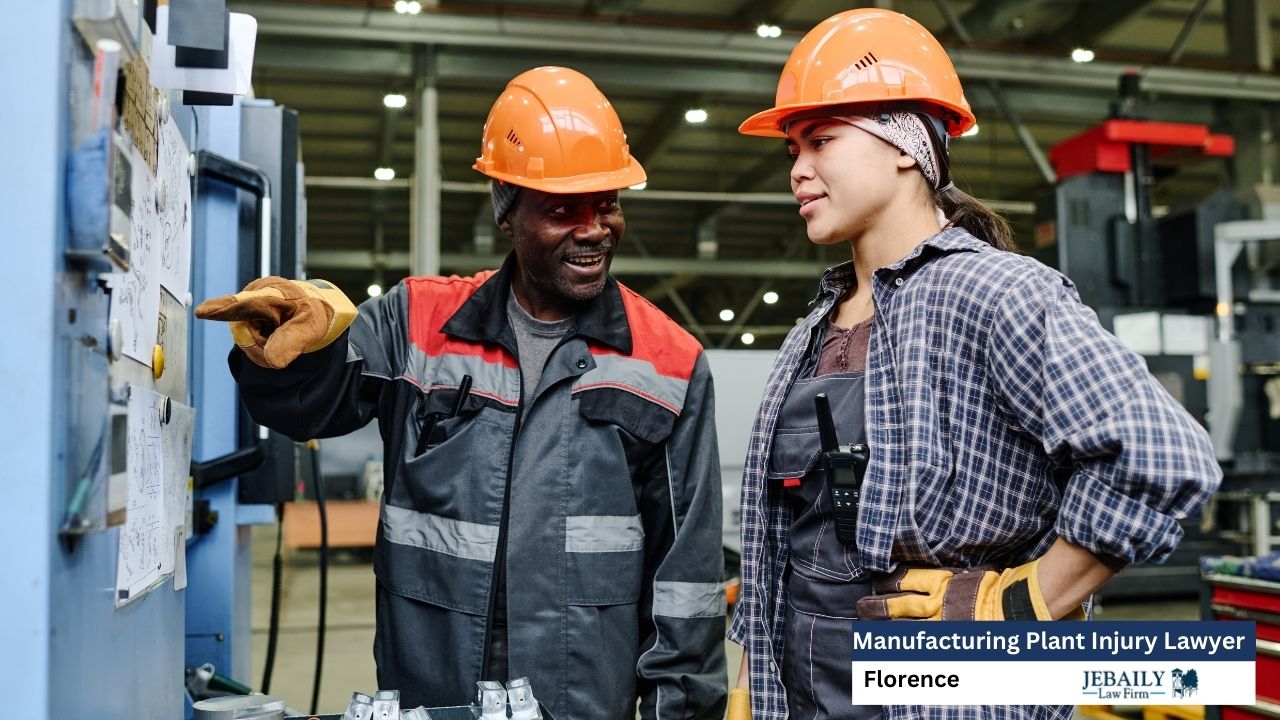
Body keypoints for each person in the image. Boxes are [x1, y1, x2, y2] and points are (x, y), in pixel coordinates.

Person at [723, 9, 1221, 720]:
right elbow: (791, 537)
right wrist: (752, 684)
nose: (798, 169)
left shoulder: (996, 294)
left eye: (821, 140)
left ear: (904, 145)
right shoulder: (811, 328)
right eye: (792, 150)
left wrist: (1018, 603)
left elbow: (1163, 457)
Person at [196, 66, 727, 720]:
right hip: (429, 699)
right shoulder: (416, 323)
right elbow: (314, 403)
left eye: (608, 202)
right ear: (507, 207)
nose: (595, 229)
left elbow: (689, 587)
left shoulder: (669, 362)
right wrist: (288, 348)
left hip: (579, 706)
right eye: (563, 210)